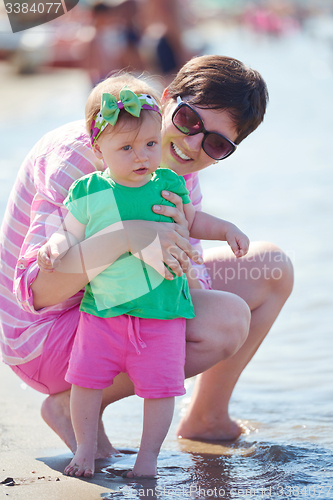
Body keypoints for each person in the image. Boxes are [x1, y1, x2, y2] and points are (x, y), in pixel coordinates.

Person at [0, 55, 293, 461]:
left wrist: (177, 257)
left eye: (216, 143)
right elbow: (38, 293)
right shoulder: (85, 156)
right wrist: (129, 237)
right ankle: (76, 402)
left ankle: (207, 417)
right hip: (42, 335)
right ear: (168, 97)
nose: (193, 145)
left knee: (272, 268)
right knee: (225, 321)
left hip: (112, 302)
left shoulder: (173, 175)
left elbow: (190, 282)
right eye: (189, 121)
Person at [37, 77, 249, 478]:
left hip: (161, 311)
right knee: (86, 382)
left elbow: (192, 220)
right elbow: (68, 230)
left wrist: (225, 230)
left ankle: (147, 458)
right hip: (102, 311)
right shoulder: (89, 189)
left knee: (161, 388)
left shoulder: (168, 182)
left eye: (150, 144)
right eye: (126, 148)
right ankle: (83, 450)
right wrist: (53, 247)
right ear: (99, 150)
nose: (142, 157)